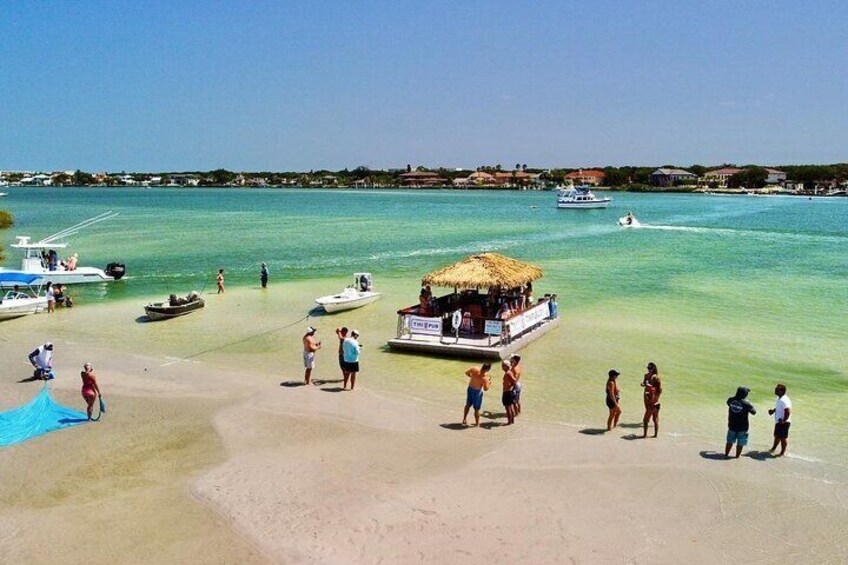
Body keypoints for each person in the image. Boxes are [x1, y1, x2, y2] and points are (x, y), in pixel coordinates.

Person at [725, 386, 756, 458]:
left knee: (729, 441)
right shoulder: (746, 404)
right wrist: (749, 403)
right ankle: (737, 456)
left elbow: (728, 403)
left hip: (732, 425)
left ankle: (726, 454)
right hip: (743, 427)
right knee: (740, 443)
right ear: (745, 395)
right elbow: (754, 412)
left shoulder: (730, 400)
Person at [768, 384, 792, 456]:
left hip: (784, 422)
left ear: (782, 391)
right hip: (779, 421)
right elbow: (780, 407)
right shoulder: (779, 398)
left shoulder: (784, 400)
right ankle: (773, 448)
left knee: (783, 438)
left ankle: (782, 453)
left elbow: (788, 411)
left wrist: (784, 420)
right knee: (777, 436)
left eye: (777, 389)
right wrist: (773, 411)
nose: (775, 390)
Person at [641, 362, 662, 438]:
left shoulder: (651, 389)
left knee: (645, 420)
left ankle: (644, 435)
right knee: (655, 419)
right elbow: (657, 393)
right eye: (648, 368)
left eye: (650, 368)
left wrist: (647, 394)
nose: (649, 369)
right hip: (657, 404)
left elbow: (650, 397)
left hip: (651, 404)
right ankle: (655, 435)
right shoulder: (658, 389)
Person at [501, 361, 517, 425]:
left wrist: (510, 387)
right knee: (510, 407)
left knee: (508, 408)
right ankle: (512, 421)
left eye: (503, 365)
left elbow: (514, 381)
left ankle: (509, 422)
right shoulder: (509, 372)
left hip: (507, 392)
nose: (502, 367)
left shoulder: (508, 373)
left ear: (506, 366)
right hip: (509, 391)